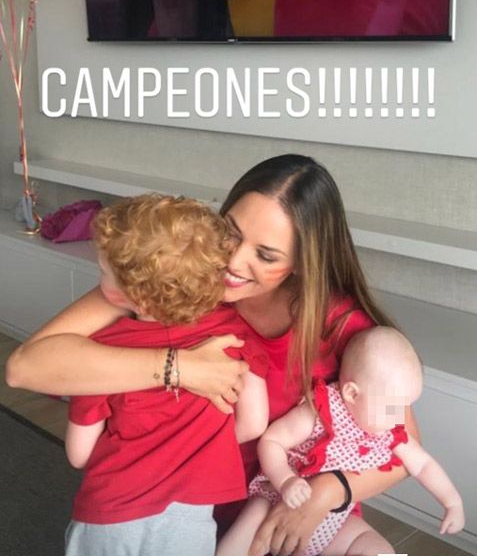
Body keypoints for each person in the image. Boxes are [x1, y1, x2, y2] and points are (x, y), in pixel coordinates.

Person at [6, 154, 420, 556]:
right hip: (184, 513)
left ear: (301, 263)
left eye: (266, 255)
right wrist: (180, 368)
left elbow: (404, 451)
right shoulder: (172, 279)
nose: (233, 262)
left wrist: (325, 494)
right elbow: (25, 368)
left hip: (299, 512)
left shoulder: (343, 327)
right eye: (231, 233)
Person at [65, 194, 269, 556]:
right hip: (190, 520)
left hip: (109, 514)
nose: (100, 282)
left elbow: (79, 454)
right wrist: (199, 444)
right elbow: (253, 423)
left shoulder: (99, 351)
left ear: (138, 298)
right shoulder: (234, 337)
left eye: (104, 274)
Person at [217, 327, 465, 556]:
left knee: (380, 549)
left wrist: (452, 502)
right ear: (352, 393)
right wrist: (286, 480)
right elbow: (272, 440)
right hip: (276, 501)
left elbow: (422, 465)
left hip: (333, 521)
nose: (400, 417)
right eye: (393, 408)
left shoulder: (389, 427)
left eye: (406, 406)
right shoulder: (322, 412)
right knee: (246, 532)